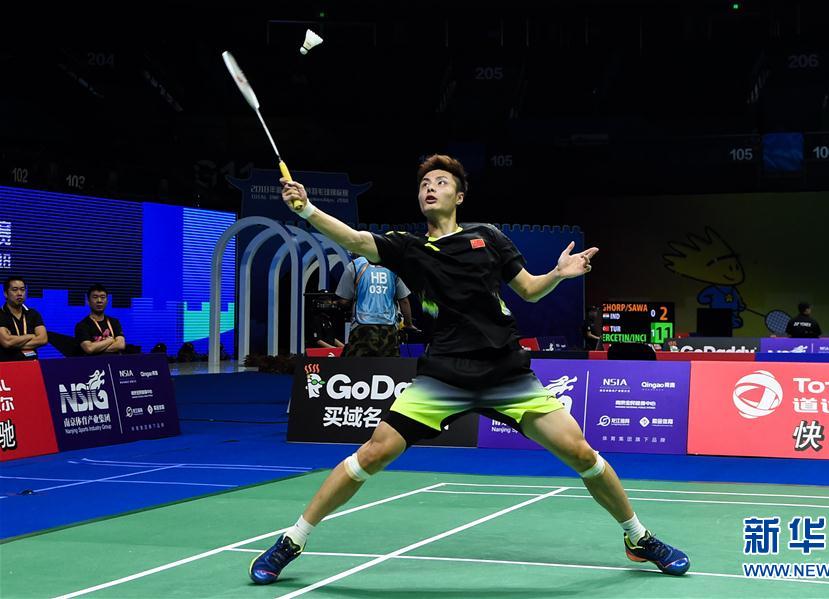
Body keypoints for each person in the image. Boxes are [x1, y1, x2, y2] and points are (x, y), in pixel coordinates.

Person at [249, 155, 689, 585]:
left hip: (505, 372)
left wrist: (558, 273)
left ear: (459, 196)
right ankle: (293, 539)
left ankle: (638, 537)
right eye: (424, 184)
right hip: (443, 375)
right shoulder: (408, 247)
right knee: (372, 454)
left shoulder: (488, 237)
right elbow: (355, 239)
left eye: (440, 182)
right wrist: (306, 210)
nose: (430, 188)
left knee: (581, 453)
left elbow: (529, 290)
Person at [336, 255, 415, 357]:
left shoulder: (354, 265)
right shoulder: (393, 265)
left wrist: (340, 303)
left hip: (362, 328)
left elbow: (344, 301)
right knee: (389, 365)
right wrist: (408, 324)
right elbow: (404, 301)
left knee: (356, 364)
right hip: (388, 328)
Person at [0, 276, 48, 361]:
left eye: (22, 289)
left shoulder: (33, 314)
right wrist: (31, 336)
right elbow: (7, 342)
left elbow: (43, 339)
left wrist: (14, 343)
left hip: (32, 364)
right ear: (6, 293)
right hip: (7, 365)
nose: (19, 293)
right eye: (15, 290)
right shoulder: (1, 314)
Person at [74, 283, 126, 355]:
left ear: (107, 301)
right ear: (88, 301)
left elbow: (121, 345)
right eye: (95, 297)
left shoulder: (114, 322)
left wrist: (96, 349)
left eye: (102, 297)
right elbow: (89, 348)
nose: (99, 300)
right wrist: (110, 340)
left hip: (114, 362)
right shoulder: (82, 325)